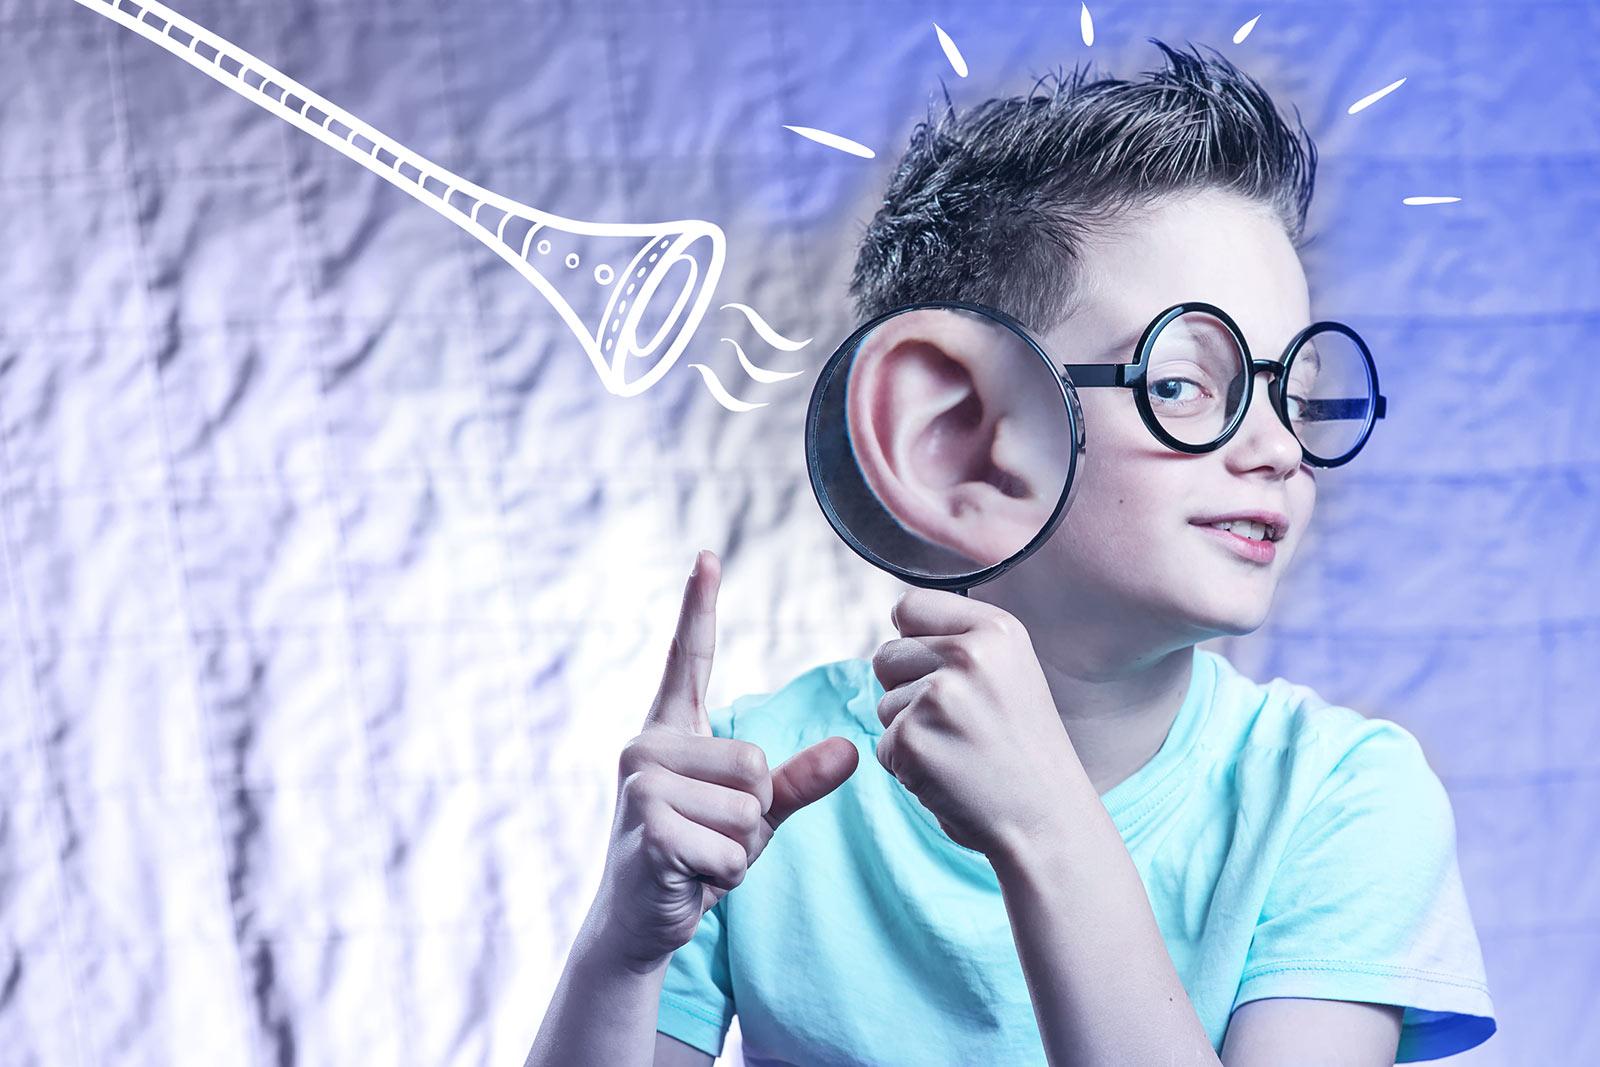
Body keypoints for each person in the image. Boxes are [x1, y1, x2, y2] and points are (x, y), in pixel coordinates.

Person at [524, 39, 1496, 1066]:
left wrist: (1046, 826)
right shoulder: (757, 783)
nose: (1277, 449)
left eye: (1291, 392)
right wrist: (625, 946)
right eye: (1182, 384)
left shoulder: (1340, 795)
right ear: (949, 430)